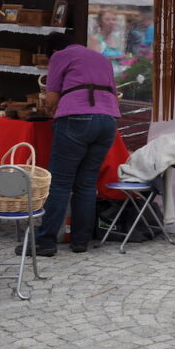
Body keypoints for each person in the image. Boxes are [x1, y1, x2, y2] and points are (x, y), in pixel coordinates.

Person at [26, 32, 120, 256]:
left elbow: (51, 99)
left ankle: (45, 242)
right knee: (86, 184)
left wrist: (50, 111)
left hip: (76, 118)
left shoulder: (60, 56)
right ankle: (80, 241)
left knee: (59, 183)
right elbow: (115, 96)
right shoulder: (101, 58)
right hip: (107, 122)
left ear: (54, 52)